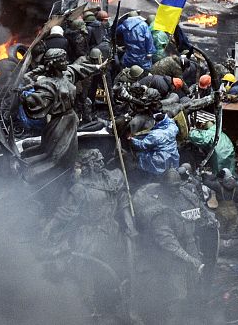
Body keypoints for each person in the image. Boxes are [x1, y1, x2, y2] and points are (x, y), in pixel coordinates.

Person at [41, 149, 136, 315]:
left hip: (113, 233)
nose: (101, 163)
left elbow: (122, 199)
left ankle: (117, 305)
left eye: (101, 160)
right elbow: (66, 212)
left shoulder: (112, 179)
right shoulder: (80, 189)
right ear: (89, 164)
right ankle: (92, 310)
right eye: (97, 161)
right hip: (91, 237)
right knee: (89, 274)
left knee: (119, 271)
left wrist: (128, 221)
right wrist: (50, 226)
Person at [133, 168, 217, 323]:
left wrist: (209, 219)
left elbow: (199, 210)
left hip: (191, 245)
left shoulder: (186, 196)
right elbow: (167, 241)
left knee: (195, 284)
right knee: (175, 291)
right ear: (164, 186)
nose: (177, 189)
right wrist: (189, 259)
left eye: (179, 185)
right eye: (173, 187)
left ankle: (193, 314)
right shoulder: (156, 208)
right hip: (168, 256)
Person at [19, 48, 104, 167]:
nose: (66, 62)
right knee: (55, 155)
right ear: (54, 64)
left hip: (71, 119)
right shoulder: (47, 84)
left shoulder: (67, 74)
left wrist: (99, 68)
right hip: (60, 122)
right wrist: (24, 98)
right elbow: (36, 102)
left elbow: (81, 69)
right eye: (62, 61)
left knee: (68, 152)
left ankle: (66, 171)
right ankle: (28, 168)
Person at [129, 113, 180, 179]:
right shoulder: (173, 128)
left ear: (157, 122)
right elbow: (171, 121)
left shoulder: (155, 135)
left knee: (140, 156)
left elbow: (142, 145)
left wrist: (131, 139)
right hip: (174, 157)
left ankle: (145, 176)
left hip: (162, 160)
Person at [204, 168, 238, 235]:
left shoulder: (217, 185)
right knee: (232, 231)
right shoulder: (237, 185)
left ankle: (223, 244)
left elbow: (205, 181)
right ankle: (232, 244)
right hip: (234, 212)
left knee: (221, 232)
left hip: (221, 212)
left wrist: (215, 175)